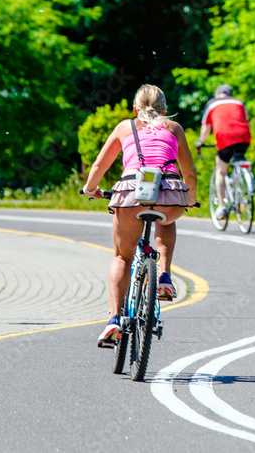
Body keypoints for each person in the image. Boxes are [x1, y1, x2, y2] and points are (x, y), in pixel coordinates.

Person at [82, 84, 198, 348]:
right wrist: (190, 199)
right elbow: (189, 174)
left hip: (130, 194)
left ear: (135, 109)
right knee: (166, 217)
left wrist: (90, 189)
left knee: (122, 257)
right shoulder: (175, 128)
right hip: (169, 192)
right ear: (164, 110)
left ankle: (114, 320)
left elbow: (100, 164)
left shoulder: (124, 127)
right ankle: (164, 276)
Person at [195, 84, 252, 221]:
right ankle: (246, 177)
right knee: (239, 158)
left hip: (225, 139)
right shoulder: (239, 102)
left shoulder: (211, 104)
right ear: (230, 94)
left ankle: (221, 207)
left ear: (217, 94)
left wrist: (200, 142)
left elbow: (206, 129)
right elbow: (246, 121)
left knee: (221, 171)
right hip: (244, 138)